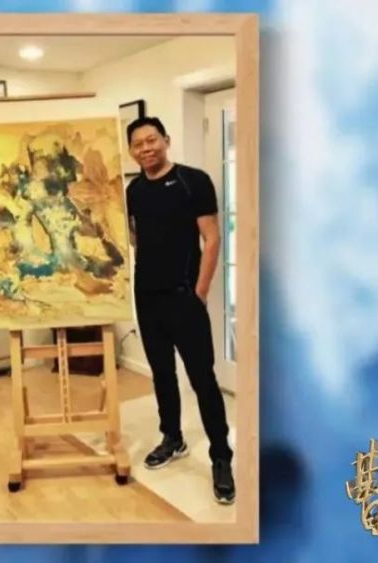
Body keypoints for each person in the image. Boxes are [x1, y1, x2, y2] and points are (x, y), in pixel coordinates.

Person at [124, 116, 236, 505]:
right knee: (162, 374)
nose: (146, 148)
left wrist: (199, 293)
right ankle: (172, 437)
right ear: (131, 151)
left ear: (166, 140)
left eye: (151, 140)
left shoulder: (193, 181)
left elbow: (212, 238)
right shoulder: (134, 190)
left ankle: (221, 456)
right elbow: (136, 237)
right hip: (147, 297)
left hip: (184, 297)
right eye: (138, 144)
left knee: (203, 378)